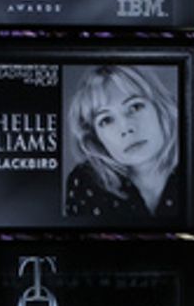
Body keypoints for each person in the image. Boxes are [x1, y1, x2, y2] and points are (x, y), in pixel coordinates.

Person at [64, 64, 181, 219]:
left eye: (135, 107)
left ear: (160, 109)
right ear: (96, 137)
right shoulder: (86, 182)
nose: (126, 129)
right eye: (106, 120)